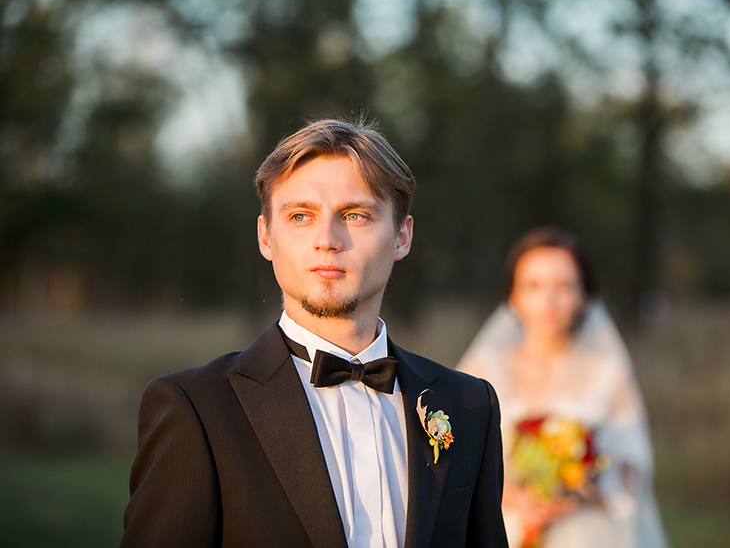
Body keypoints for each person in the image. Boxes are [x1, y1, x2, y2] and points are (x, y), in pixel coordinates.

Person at [121, 118, 508, 548]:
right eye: (300, 216)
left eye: (355, 215)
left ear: (402, 236)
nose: (327, 239)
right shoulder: (196, 409)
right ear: (266, 237)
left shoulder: (471, 405)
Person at [458, 227, 668, 548]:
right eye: (534, 286)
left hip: (586, 531)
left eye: (564, 286)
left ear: (585, 295)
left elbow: (633, 465)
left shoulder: (608, 371)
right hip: (501, 525)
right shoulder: (483, 367)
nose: (549, 299)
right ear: (513, 295)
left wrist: (585, 487)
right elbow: (453, 454)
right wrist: (509, 495)